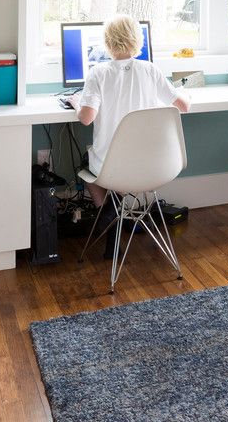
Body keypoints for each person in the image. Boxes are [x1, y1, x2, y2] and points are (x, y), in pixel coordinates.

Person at [71, 14, 190, 256]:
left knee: (86, 166)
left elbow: (86, 118)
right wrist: (185, 93)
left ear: (107, 42)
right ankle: (114, 209)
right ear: (138, 40)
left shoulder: (98, 73)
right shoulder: (150, 70)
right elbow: (183, 106)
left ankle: (109, 213)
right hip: (152, 166)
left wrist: (76, 103)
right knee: (120, 167)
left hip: (112, 168)